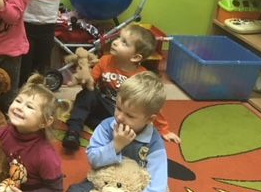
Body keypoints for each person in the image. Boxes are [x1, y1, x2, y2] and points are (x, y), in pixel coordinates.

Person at [15, 71, 174, 192]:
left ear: (150, 119)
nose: (120, 117)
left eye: (130, 115)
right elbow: (94, 159)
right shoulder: (107, 127)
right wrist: (116, 146)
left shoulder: (154, 143)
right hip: (100, 186)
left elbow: (157, 187)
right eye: (118, 108)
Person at [62, 24, 180, 152]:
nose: (115, 42)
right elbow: (90, 83)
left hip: (121, 113)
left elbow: (152, 104)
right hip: (101, 103)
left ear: (135, 57)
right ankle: (73, 131)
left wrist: (164, 130)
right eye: (118, 38)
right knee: (87, 93)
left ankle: (104, 129)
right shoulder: (105, 60)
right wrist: (84, 78)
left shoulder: (142, 76)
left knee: (133, 121)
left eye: (124, 43)